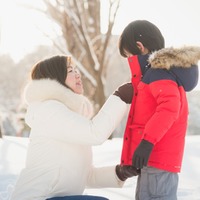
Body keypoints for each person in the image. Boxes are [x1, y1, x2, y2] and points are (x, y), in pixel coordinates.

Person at [10, 55, 140, 200]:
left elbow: (86, 176)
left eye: (76, 69)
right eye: (70, 70)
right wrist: (119, 97)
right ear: (56, 77)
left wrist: (119, 173)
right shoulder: (49, 110)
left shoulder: (67, 115)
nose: (77, 74)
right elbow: (95, 133)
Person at [118, 20, 200, 200]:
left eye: (128, 54)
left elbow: (170, 108)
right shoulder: (158, 73)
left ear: (140, 47)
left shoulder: (158, 73)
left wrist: (147, 142)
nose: (128, 60)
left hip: (157, 158)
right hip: (154, 159)